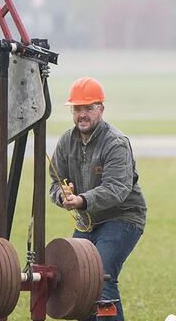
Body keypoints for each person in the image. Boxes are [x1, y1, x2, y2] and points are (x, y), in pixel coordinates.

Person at [49, 76, 147, 321]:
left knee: (100, 276)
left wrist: (81, 200)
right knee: (78, 280)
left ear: (101, 109)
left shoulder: (116, 142)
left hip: (123, 218)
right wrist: (62, 196)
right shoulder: (65, 142)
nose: (82, 114)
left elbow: (117, 189)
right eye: (77, 108)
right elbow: (54, 182)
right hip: (87, 222)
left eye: (88, 108)